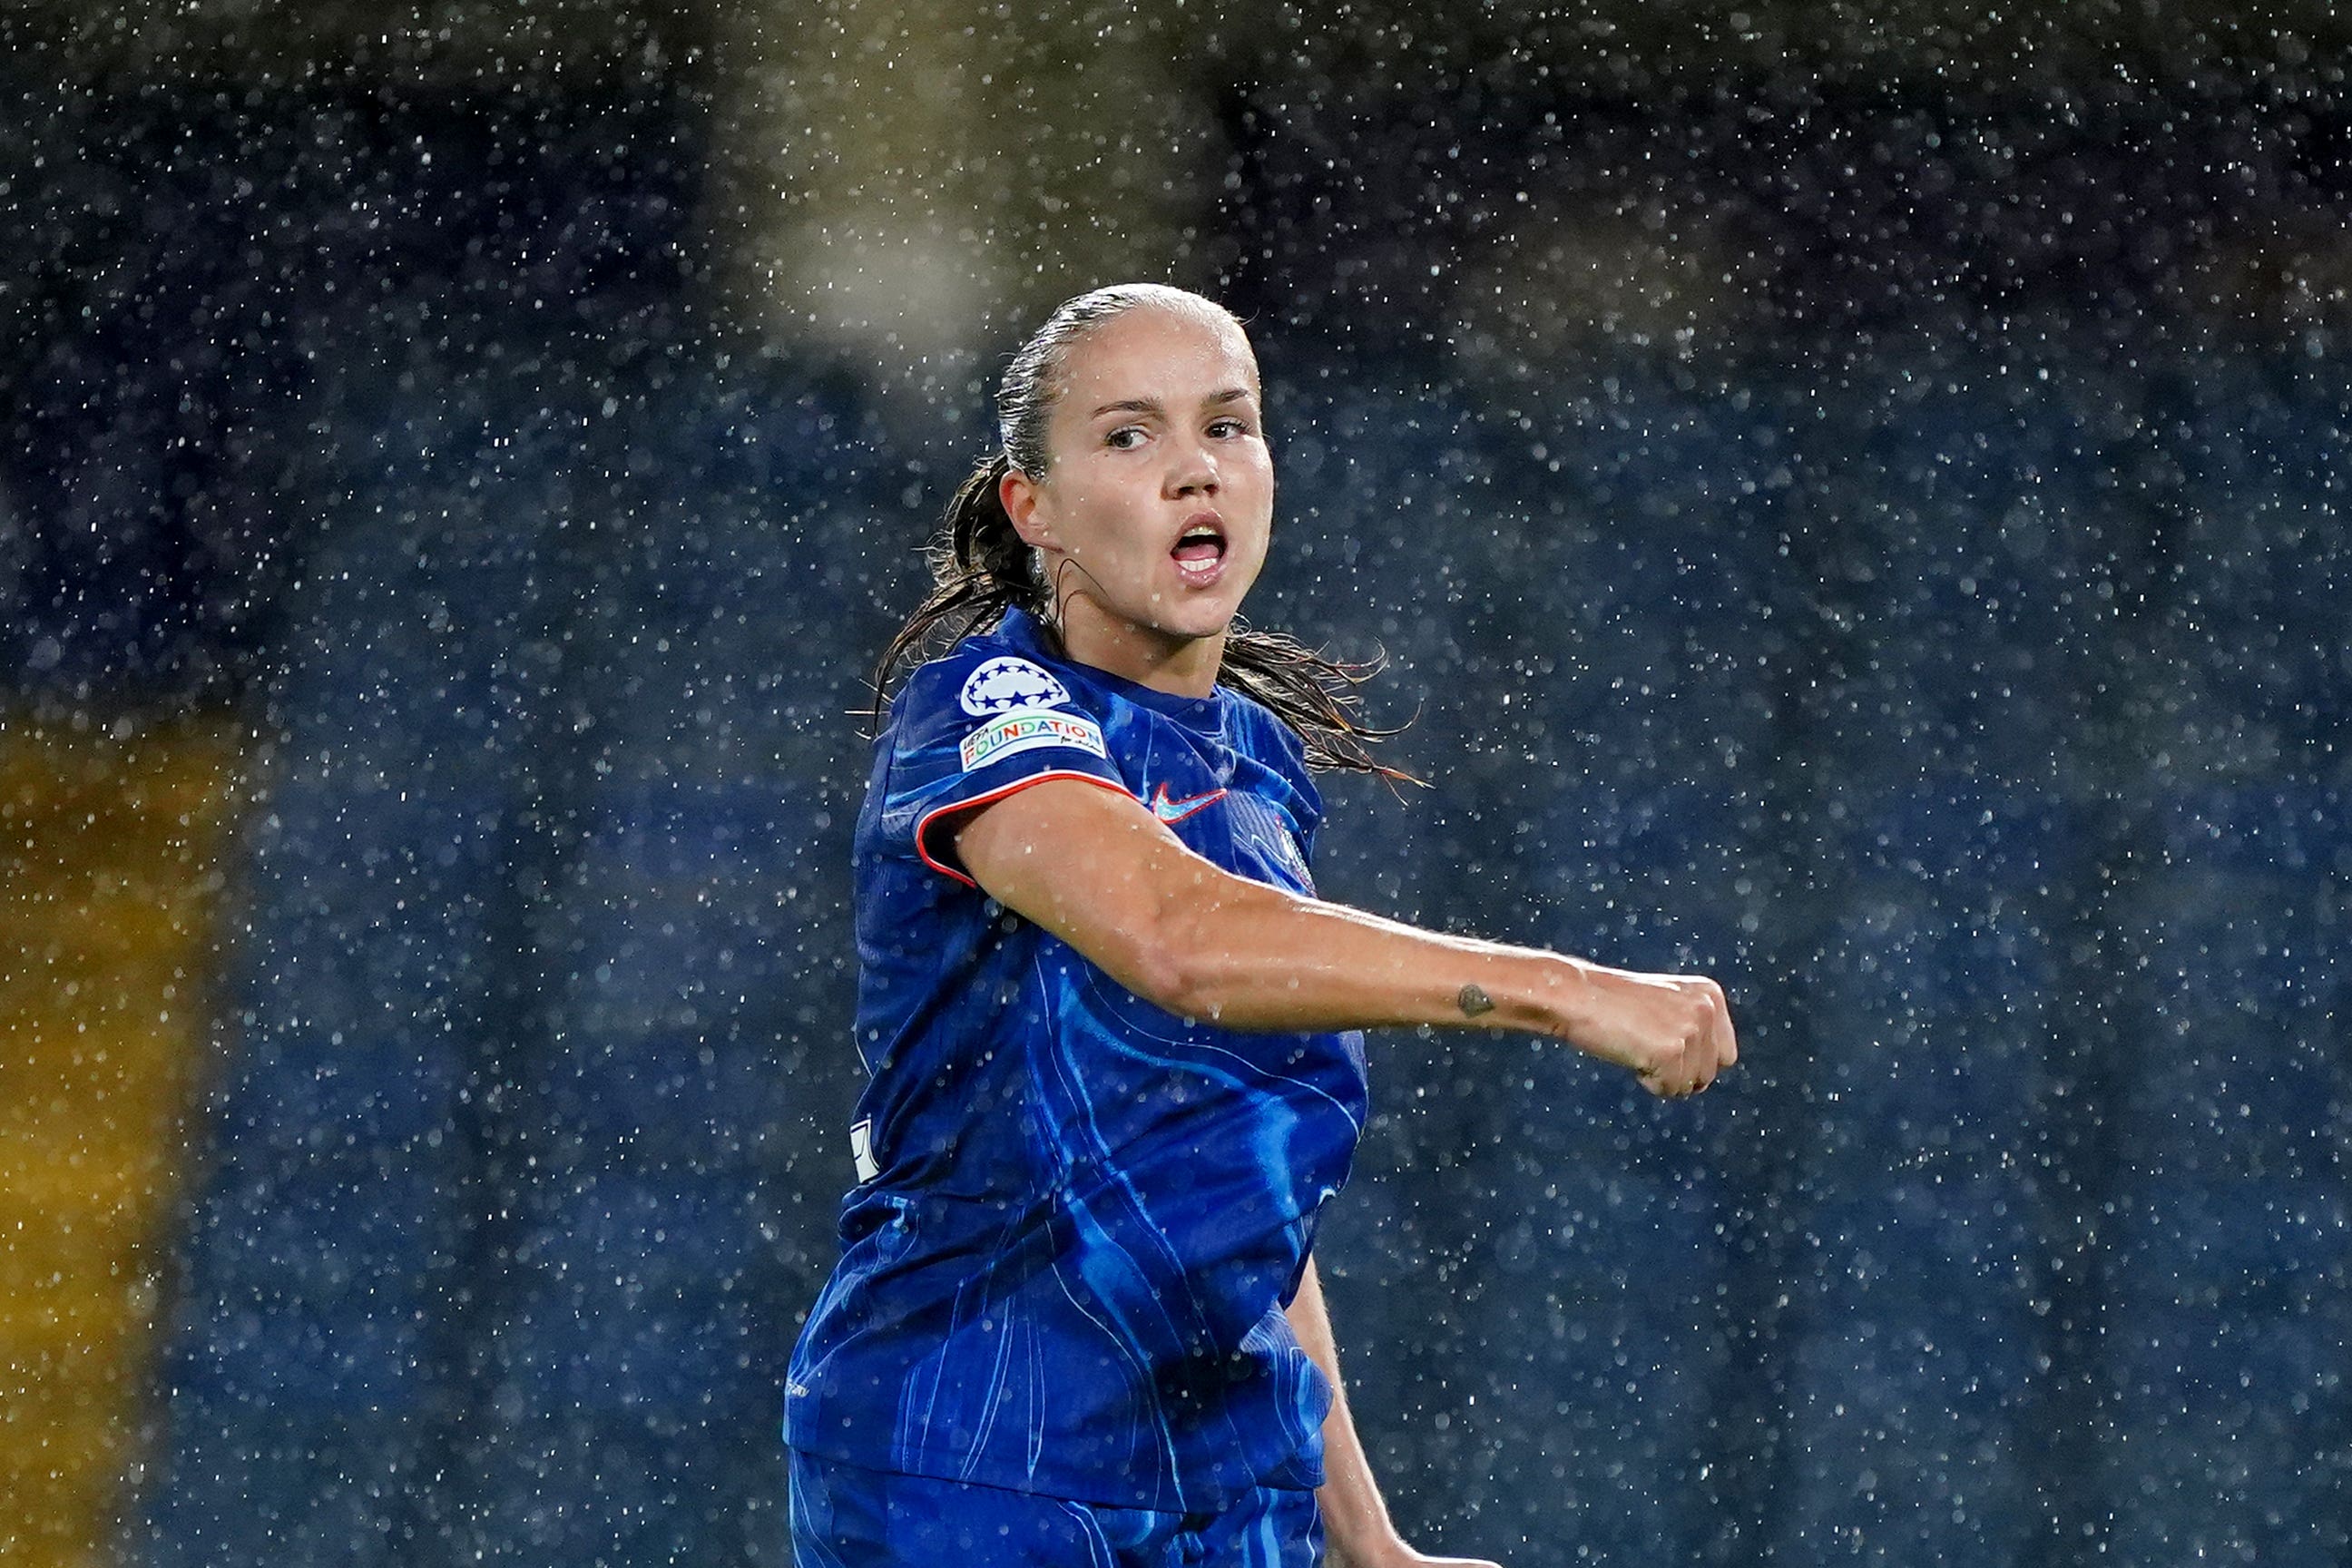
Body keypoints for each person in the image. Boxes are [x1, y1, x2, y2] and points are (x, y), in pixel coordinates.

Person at [784, 283, 1738, 1568]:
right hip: (975, 1460)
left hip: (1228, 1483)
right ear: (1035, 508)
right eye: (1129, 437)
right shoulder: (989, 705)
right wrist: (1563, 989)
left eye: (1228, 427)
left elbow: (1244, 1188)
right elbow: (1176, 940)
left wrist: (1369, 1544)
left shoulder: (1256, 762)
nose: (1195, 470)